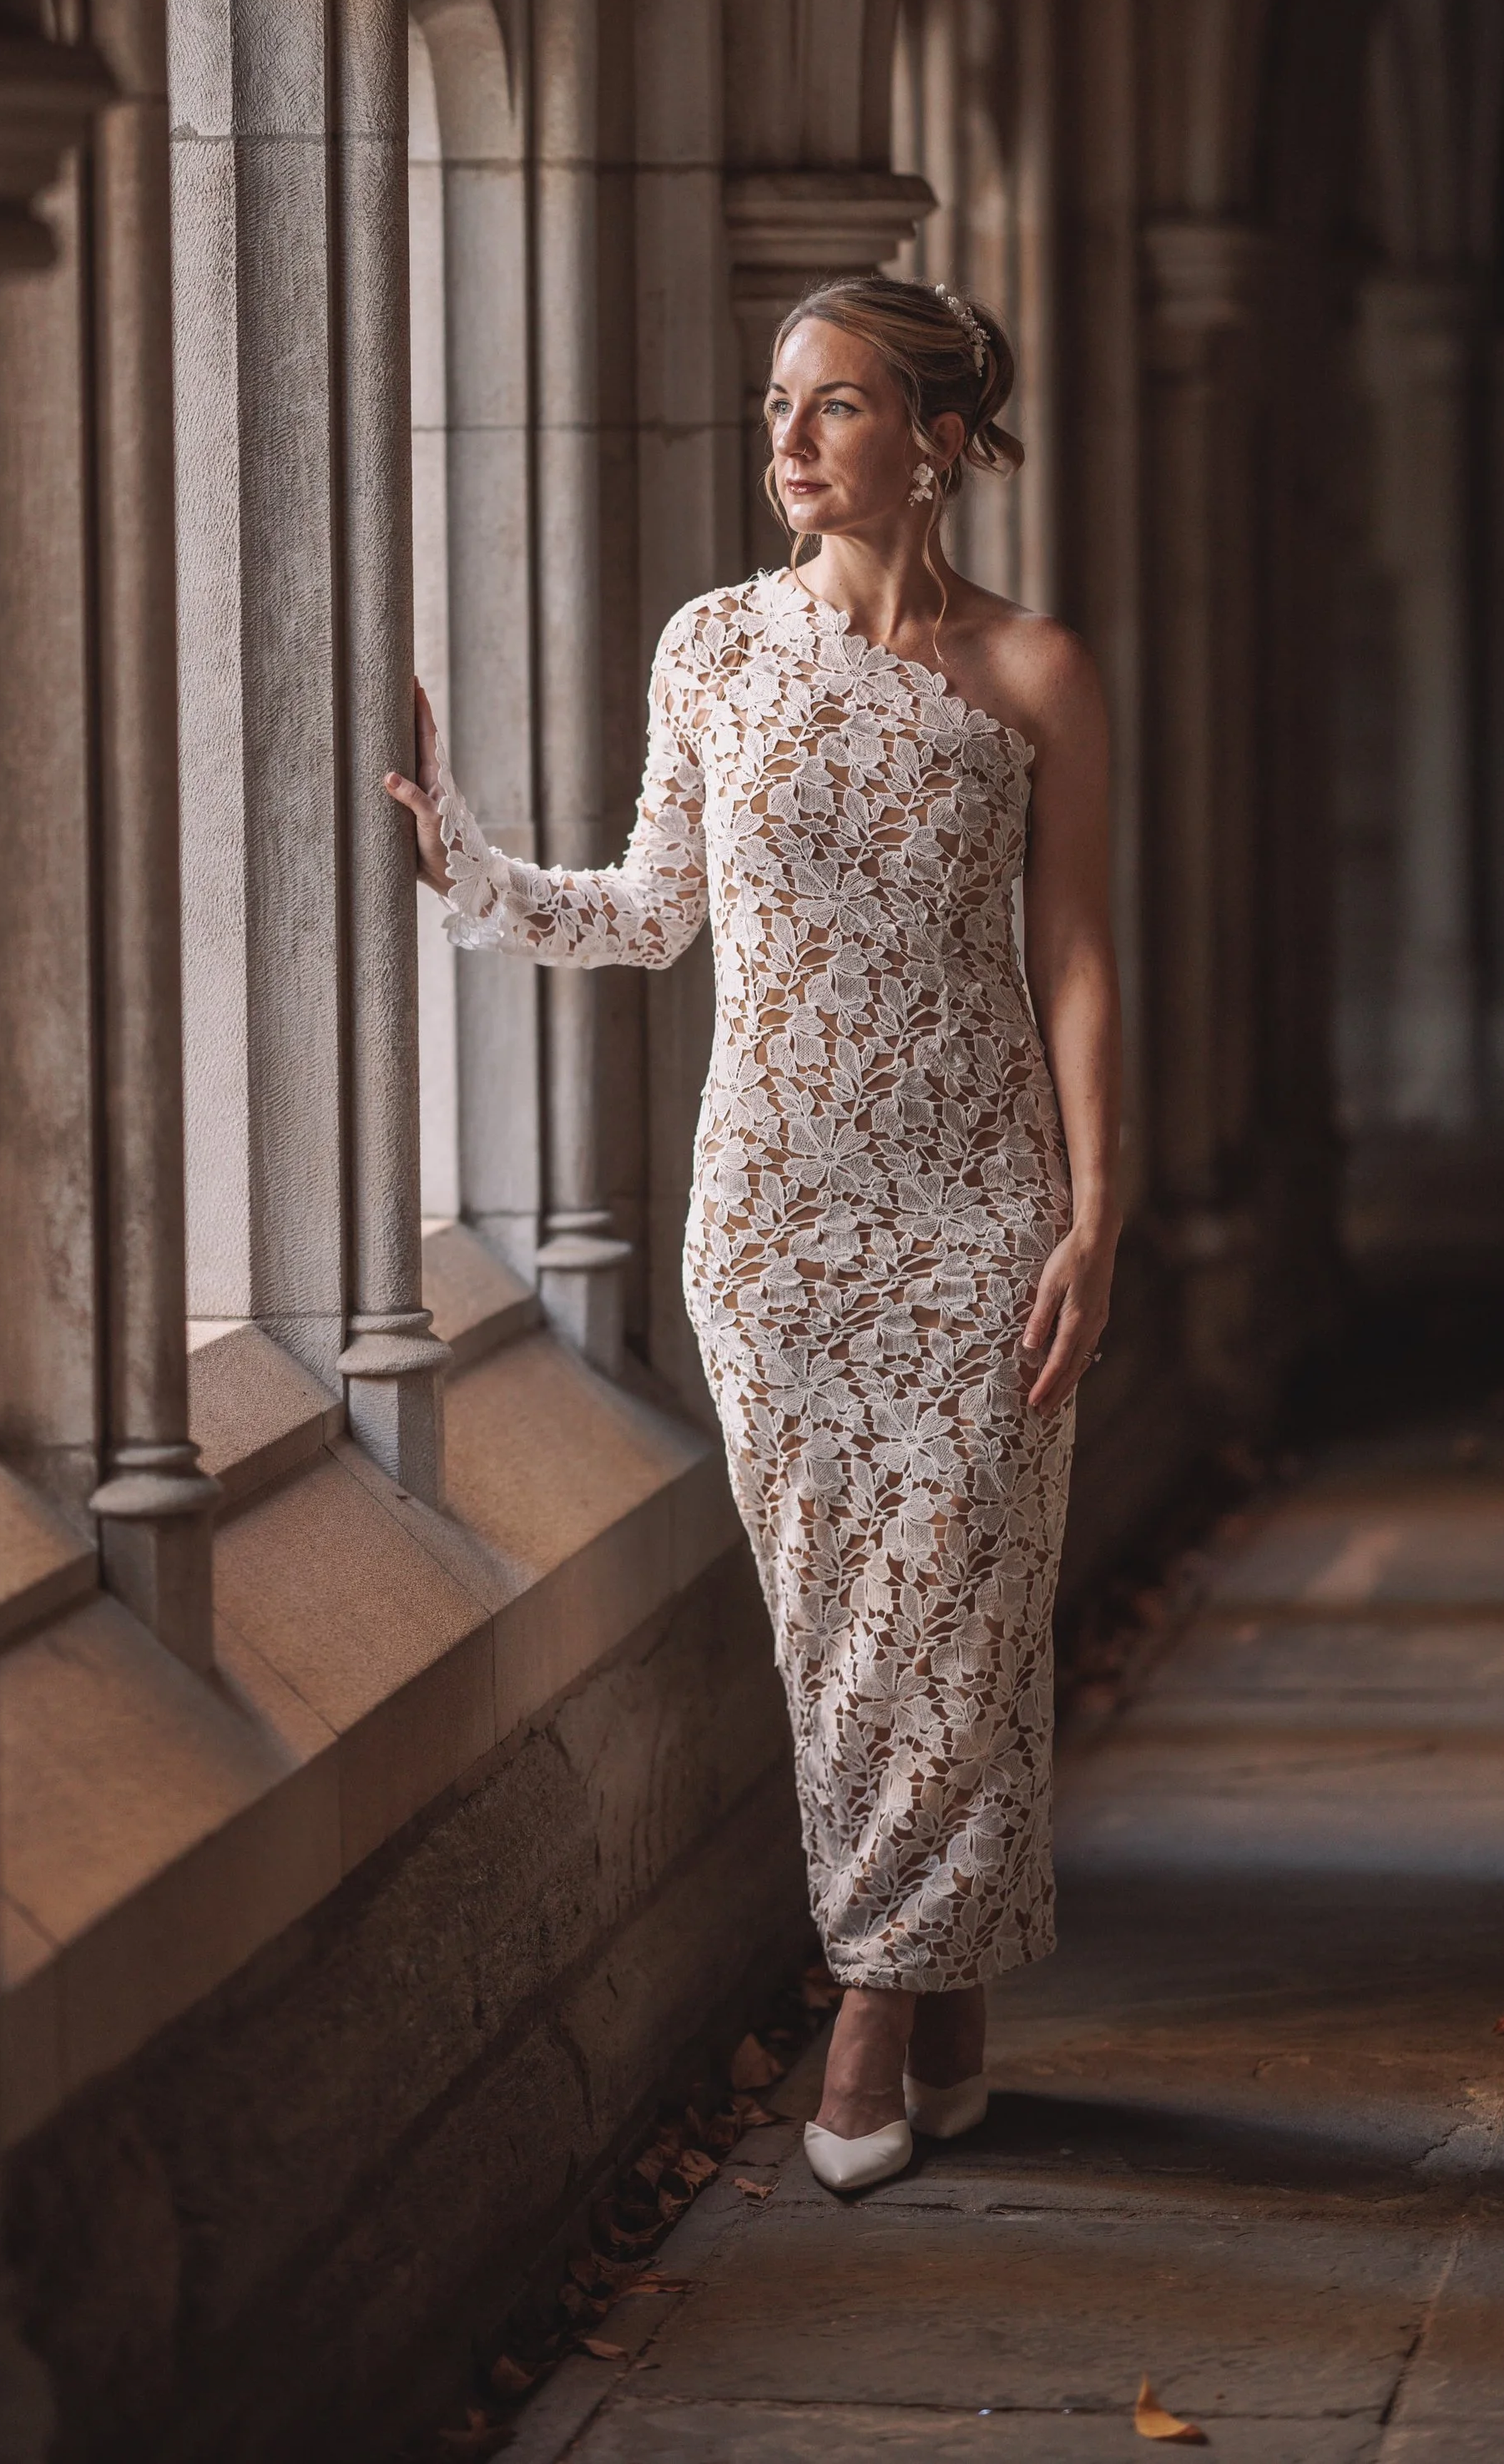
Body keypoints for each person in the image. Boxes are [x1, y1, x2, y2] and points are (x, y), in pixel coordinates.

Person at [385, 274, 1122, 2197]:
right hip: (773, 1224)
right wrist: (460, 855)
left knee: (962, 1600)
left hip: (977, 1212)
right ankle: (938, 1985)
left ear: (936, 442)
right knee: (839, 1627)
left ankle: (869, 2003)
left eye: (836, 405)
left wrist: (1096, 1206)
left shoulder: (1036, 673)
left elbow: (1075, 954)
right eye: (776, 403)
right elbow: (647, 910)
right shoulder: (710, 646)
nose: (785, 440)